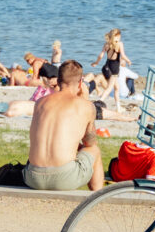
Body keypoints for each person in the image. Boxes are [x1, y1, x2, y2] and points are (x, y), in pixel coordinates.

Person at [24, 60, 105, 191]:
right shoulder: (85, 106)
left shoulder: (40, 103)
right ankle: (97, 198)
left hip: (32, 176)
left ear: (58, 80)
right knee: (94, 151)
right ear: (80, 83)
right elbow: (90, 142)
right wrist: (85, 98)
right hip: (62, 178)